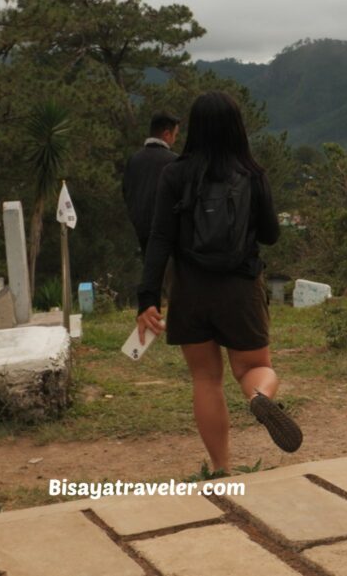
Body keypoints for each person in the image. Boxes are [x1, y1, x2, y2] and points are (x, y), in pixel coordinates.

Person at [136, 91, 301, 472]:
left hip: (190, 291)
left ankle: (221, 469)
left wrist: (147, 296)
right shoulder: (253, 174)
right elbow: (271, 235)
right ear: (237, 128)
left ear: (192, 128)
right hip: (239, 289)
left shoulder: (174, 173)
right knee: (253, 367)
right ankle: (260, 396)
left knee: (206, 380)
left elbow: (159, 237)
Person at [123, 112, 181, 255]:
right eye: (175, 135)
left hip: (141, 232)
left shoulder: (134, 160)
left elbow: (126, 192)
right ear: (167, 134)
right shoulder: (174, 162)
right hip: (168, 237)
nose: (175, 140)